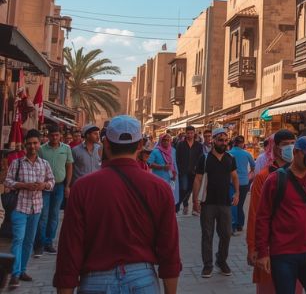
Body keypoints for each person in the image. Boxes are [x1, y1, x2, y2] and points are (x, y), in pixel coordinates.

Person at [53, 115, 181, 294]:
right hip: (142, 279)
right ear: (139, 146)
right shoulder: (160, 188)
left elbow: (70, 249)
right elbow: (169, 248)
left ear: (106, 144)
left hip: (95, 280)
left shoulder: (83, 187)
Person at [255, 136, 306, 294]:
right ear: (296, 153)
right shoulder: (275, 180)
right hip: (283, 254)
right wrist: (262, 252)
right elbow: (262, 217)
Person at [247, 129, 302, 294]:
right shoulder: (264, 177)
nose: (290, 148)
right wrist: (253, 247)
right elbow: (255, 214)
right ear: (276, 148)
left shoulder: (303, 174)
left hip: (298, 246)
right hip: (271, 246)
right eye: (286, 145)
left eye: (293, 144)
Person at [4, 129, 55, 288]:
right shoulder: (17, 163)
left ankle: (23, 270)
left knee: (28, 242)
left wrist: (44, 185)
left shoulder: (44, 164)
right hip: (19, 207)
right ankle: (14, 274)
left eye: (35, 143)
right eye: (30, 143)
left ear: (39, 144)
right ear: (25, 144)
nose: (32, 146)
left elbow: (52, 182)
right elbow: (8, 182)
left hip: (36, 208)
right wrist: (23, 185)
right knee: (18, 239)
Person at [193, 127, 239, 278]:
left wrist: (237, 192)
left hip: (225, 203)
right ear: (213, 141)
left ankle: (221, 260)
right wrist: (195, 201)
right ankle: (207, 265)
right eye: (220, 140)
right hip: (207, 203)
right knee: (207, 235)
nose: (224, 143)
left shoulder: (230, 158)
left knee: (226, 234)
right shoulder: (204, 159)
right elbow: (198, 179)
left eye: (226, 140)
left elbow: (234, 176)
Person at [35, 127, 74, 256]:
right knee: (43, 215)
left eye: (57, 135)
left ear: (60, 136)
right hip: (45, 187)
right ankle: (40, 243)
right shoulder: (41, 149)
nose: (55, 138)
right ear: (49, 136)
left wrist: (67, 185)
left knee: (54, 215)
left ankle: (49, 242)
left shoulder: (66, 149)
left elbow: (69, 167)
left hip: (59, 186)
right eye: (52, 135)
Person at [229, 135, 256, 234]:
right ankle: (240, 224)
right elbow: (253, 166)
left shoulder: (229, 153)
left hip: (232, 182)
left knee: (233, 204)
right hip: (244, 182)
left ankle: (234, 224)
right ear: (242, 143)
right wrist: (250, 173)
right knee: (240, 205)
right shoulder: (247, 154)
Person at [175, 125, 203, 216]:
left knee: (191, 189)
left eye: (191, 133)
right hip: (183, 171)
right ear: (185, 133)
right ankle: (180, 205)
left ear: (194, 133)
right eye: (188, 133)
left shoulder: (198, 145)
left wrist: (198, 168)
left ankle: (189, 205)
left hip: (194, 171)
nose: (190, 135)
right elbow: (177, 157)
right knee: (184, 188)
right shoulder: (181, 144)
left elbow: (200, 158)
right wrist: (178, 168)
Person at [149, 133, 179, 208]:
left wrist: (174, 173)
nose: (166, 142)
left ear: (170, 141)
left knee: (169, 200)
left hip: (170, 179)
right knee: (159, 201)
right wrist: (162, 167)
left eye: (168, 140)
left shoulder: (173, 151)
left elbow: (173, 163)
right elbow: (149, 163)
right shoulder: (155, 151)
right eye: (164, 140)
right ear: (160, 141)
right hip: (158, 180)